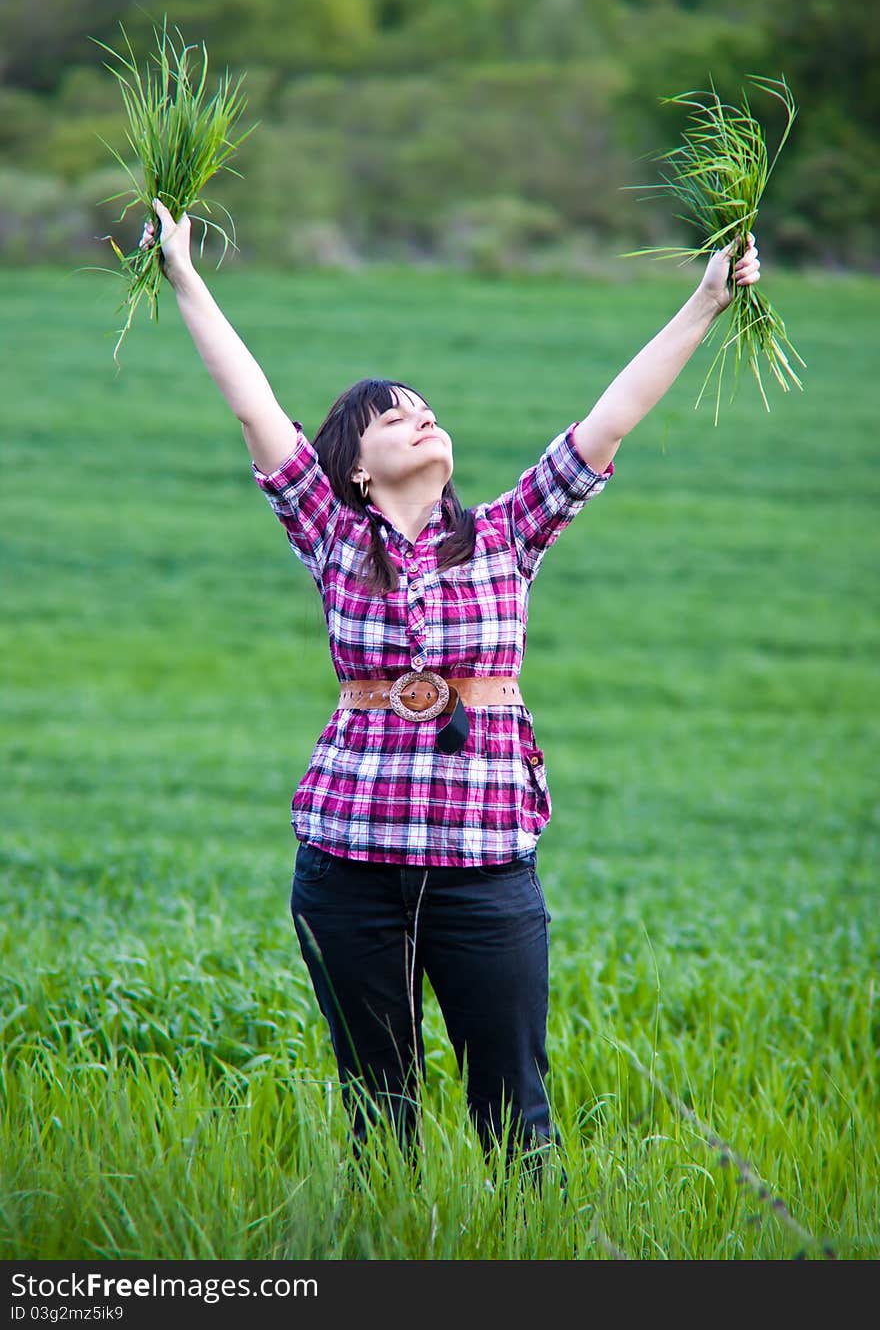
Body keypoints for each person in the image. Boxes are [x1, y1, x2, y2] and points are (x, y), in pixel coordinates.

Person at [138, 199, 760, 1171]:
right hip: (347, 868)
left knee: (517, 1114)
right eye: (390, 416)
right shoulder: (332, 534)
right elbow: (253, 403)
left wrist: (704, 300)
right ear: (350, 469)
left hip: (485, 871)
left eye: (423, 406)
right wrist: (183, 275)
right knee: (378, 1114)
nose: (417, 416)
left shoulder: (508, 535)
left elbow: (611, 416)